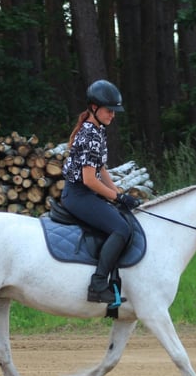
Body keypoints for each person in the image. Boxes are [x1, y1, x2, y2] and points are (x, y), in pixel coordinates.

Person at [60, 79, 141, 303]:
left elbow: (100, 168)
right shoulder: (90, 134)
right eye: (109, 110)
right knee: (121, 229)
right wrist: (117, 196)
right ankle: (97, 284)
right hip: (78, 195)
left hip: (84, 194)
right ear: (94, 108)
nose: (113, 115)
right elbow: (88, 179)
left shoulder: (97, 130)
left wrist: (117, 192)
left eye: (115, 111)